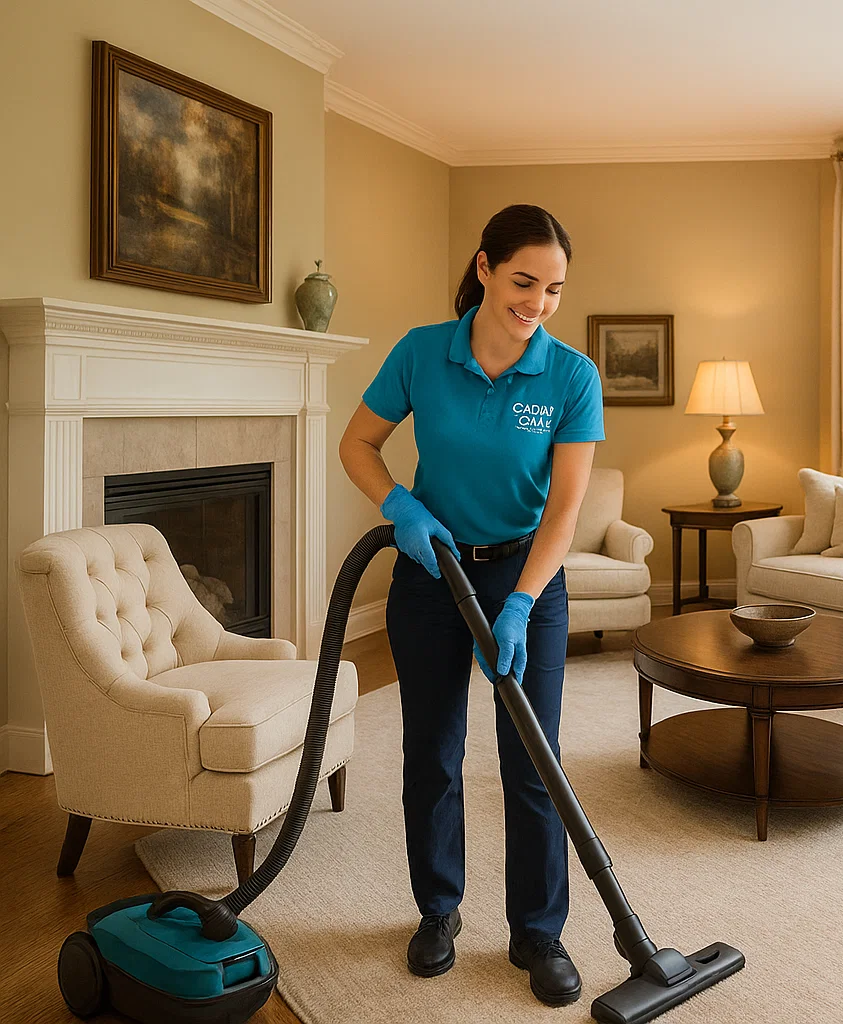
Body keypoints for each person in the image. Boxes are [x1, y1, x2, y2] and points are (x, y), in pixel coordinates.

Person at [338, 203, 603, 1006]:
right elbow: (358, 443)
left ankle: (538, 931)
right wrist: (400, 509)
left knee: (533, 757)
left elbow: (563, 512)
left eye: (554, 289)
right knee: (434, 750)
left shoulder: (570, 376)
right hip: (432, 572)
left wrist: (522, 603)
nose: (538, 303)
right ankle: (438, 911)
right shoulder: (422, 353)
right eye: (525, 281)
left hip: (524, 577)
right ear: (484, 268)